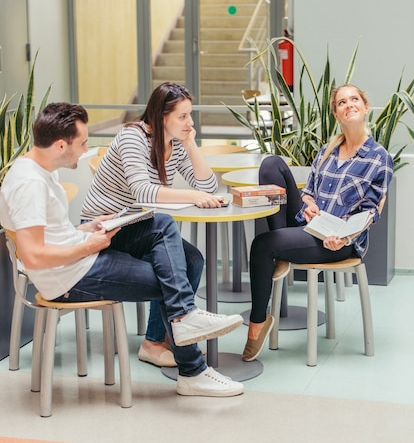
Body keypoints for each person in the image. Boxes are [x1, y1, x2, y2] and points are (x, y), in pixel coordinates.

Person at [0, 102, 244, 398]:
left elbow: (50, 234)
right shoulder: (28, 184)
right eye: (83, 143)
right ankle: (191, 366)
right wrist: (88, 245)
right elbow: (33, 255)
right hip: (69, 279)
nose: (86, 149)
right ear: (61, 144)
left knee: (163, 224)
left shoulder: (42, 168)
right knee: (172, 280)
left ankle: (184, 325)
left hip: (80, 256)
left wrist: (85, 230)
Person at [242, 83, 394, 362]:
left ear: (365, 107)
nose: (349, 105)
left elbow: (372, 210)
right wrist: (309, 204)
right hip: (310, 224)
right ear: (336, 113)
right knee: (271, 163)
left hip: (337, 239)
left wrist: (345, 237)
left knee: (263, 244)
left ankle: (258, 322)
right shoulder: (328, 150)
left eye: (354, 99)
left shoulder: (378, 157)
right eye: (342, 102)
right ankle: (282, 249)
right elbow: (308, 192)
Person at [81, 82, 222, 368]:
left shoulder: (175, 145)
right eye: (182, 116)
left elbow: (208, 185)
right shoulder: (133, 137)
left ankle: (164, 336)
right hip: (103, 228)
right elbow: (144, 191)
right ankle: (159, 339)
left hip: (137, 224)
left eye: (190, 115)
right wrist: (194, 195)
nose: (189, 122)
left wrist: (190, 143)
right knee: (166, 232)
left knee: (192, 260)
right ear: (160, 117)